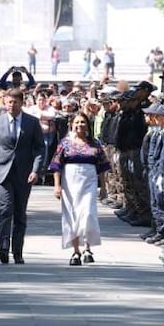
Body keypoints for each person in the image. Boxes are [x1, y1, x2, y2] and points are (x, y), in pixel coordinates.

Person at [0, 88, 45, 264]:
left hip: (24, 174)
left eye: (14, 102)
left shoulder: (32, 122)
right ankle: (3, 248)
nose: (11, 105)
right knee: (5, 209)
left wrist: (36, 170)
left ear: (21, 102)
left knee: (20, 213)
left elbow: (40, 148)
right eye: (8, 102)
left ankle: (17, 251)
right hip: (2, 173)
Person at [50, 113, 110, 265]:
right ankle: (76, 251)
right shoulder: (65, 143)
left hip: (89, 180)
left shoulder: (94, 143)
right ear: (72, 124)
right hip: (70, 181)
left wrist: (103, 187)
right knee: (72, 215)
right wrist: (57, 186)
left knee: (88, 213)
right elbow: (56, 165)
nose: (80, 125)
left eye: (83, 122)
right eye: (77, 122)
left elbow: (102, 166)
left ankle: (88, 248)